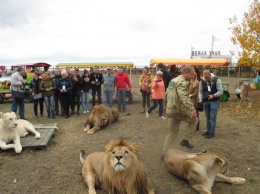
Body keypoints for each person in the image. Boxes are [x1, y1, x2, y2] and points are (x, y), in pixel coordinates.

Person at [163, 66, 198, 150]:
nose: (193, 76)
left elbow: (166, 94)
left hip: (170, 110)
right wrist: (192, 109)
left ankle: (164, 153)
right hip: (178, 110)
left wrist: (165, 106)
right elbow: (184, 98)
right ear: (186, 73)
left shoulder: (173, 81)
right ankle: (186, 140)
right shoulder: (181, 82)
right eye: (192, 74)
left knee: (172, 133)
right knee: (195, 120)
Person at [198, 70, 223, 139]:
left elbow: (221, 91)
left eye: (207, 78)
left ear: (210, 75)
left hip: (214, 101)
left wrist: (214, 95)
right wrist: (200, 98)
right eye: (205, 78)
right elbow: (200, 91)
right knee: (207, 117)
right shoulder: (202, 81)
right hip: (206, 101)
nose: (206, 79)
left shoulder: (217, 80)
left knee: (212, 117)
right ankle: (208, 131)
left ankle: (212, 133)